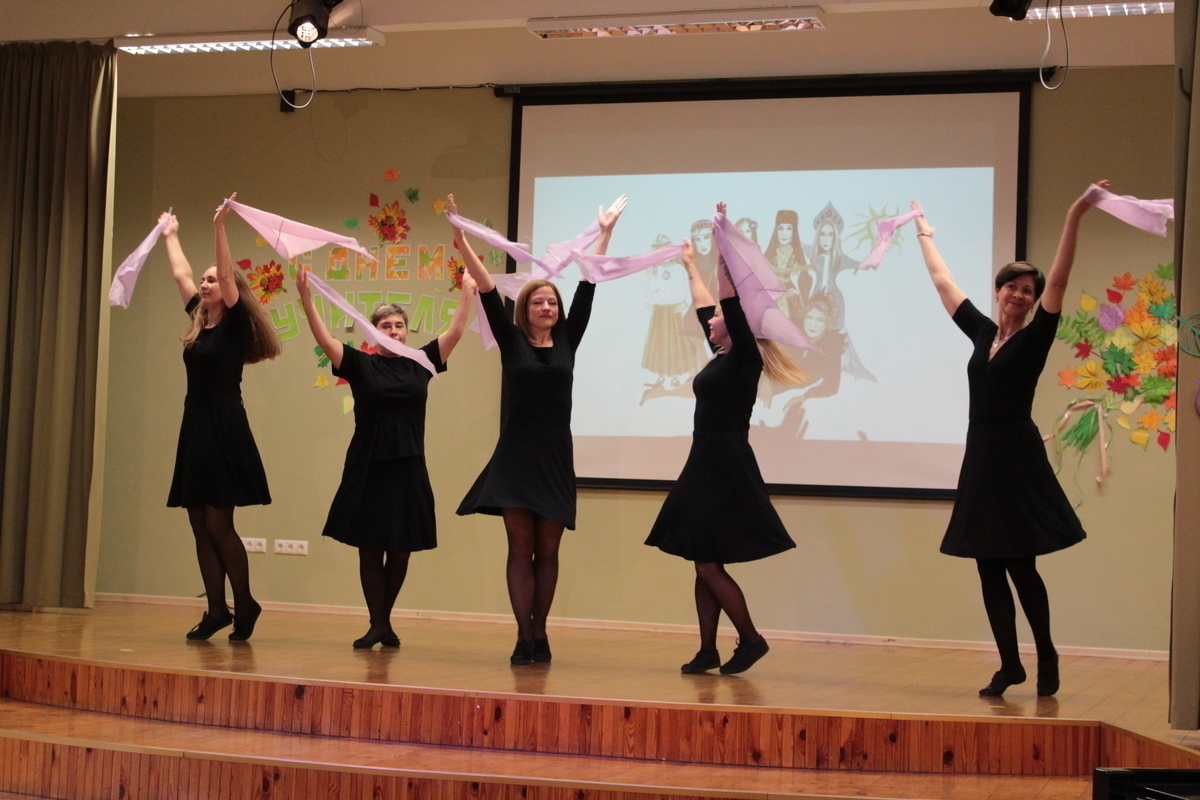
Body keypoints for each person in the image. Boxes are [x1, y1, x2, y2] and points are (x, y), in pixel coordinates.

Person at [912, 184, 1104, 697]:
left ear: (1035, 300)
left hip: (1016, 457)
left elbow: (1060, 276)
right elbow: (942, 281)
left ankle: (1046, 655)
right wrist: (924, 234)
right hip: (981, 457)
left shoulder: (1037, 336)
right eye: (1011, 287)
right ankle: (1009, 665)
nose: (1018, 295)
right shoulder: (982, 333)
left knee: (1021, 564)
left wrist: (1075, 212)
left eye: (1027, 290)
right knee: (987, 566)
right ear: (998, 291)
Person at [450, 193, 627, 665]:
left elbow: (590, 282)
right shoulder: (511, 341)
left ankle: (542, 631)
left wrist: (605, 232)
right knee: (520, 546)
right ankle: (523, 636)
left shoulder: (569, 338)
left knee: (548, 549)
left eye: (552, 301)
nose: (546, 306)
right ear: (525, 310)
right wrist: (462, 240)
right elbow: (488, 289)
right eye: (538, 301)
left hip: (554, 457)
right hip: (515, 456)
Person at [646, 204, 803, 676]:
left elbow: (728, 302)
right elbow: (704, 307)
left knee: (707, 564)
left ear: (734, 325)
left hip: (723, 463)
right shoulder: (721, 356)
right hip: (707, 460)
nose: (711, 316)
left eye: (719, 315)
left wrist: (720, 251)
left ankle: (751, 640)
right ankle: (708, 650)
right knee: (703, 557)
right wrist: (690, 266)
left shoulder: (744, 359)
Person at [294, 267, 475, 649]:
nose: (394, 331)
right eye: (386, 326)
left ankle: (382, 621)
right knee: (370, 547)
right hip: (368, 465)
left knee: (401, 549)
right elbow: (325, 340)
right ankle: (379, 624)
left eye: (399, 326)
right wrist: (307, 298)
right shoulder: (361, 363)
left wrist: (467, 291)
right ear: (372, 333)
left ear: (407, 332)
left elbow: (456, 331)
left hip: (408, 465)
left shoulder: (421, 362)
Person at [164, 195, 282, 642]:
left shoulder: (234, 322)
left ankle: (245, 602)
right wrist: (170, 234)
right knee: (198, 522)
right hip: (195, 426)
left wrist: (219, 227)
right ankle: (217, 610)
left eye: (212, 279)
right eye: (205, 279)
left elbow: (228, 274)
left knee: (218, 523)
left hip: (224, 426)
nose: (206, 283)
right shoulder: (200, 319)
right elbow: (180, 274)